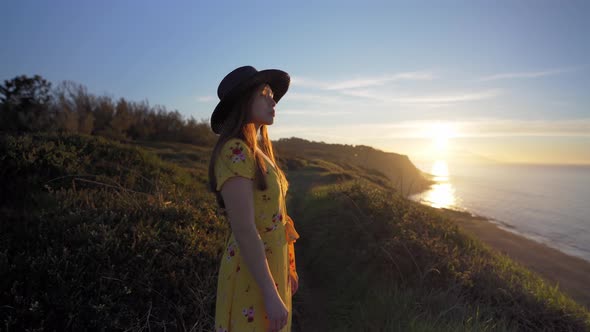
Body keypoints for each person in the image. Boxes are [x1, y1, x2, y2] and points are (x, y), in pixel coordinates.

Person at [208, 66, 300, 332]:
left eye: (273, 94)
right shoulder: (234, 150)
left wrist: (289, 267)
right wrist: (270, 294)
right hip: (252, 276)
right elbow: (245, 230)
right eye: (264, 94)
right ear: (243, 101)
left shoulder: (258, 151)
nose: (273, 101)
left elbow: (278, 216)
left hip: (271, 268)